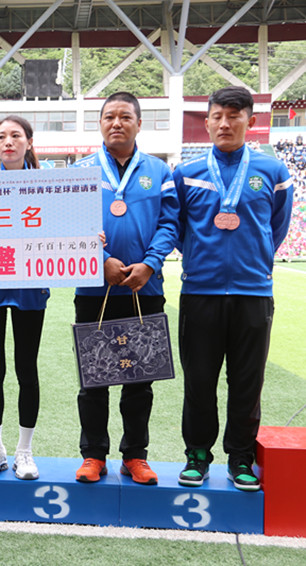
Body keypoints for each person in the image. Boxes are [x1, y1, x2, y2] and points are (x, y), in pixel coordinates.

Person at [174, 86, 293, 491]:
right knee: (199, 381)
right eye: (217, 116)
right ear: (207, 122)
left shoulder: (273, 171)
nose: (225, 123)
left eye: (234, 115)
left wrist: (253, 260)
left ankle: (241, 458)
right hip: (200, 292)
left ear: (250, 122)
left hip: (253, 293)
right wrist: (200, 257)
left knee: (247, 382)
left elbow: (276, 228)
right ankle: (197, 455)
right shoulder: (187, 172)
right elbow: (179, 229)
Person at [72, 92, 179, 485]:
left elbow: (170, 222)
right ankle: (93, 455)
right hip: (93, 288)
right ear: (100, 123)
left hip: (144, 288)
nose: (116, 123)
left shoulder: (159, 171)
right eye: (109, 117)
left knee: (140, 380)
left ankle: (135, 455)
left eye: (125, 117)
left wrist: (150, 264)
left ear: (139, 123)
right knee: (94, 380)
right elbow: (70, 223)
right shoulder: (81, 170)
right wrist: (99, 259)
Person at [0, 116, 49, 480]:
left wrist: (86, 238)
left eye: (16, 135)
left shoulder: (50, 187)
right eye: (1, 136)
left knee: (26, 368)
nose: (8, 141)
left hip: (30, 286)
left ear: (29, 142)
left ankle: (24, 452)